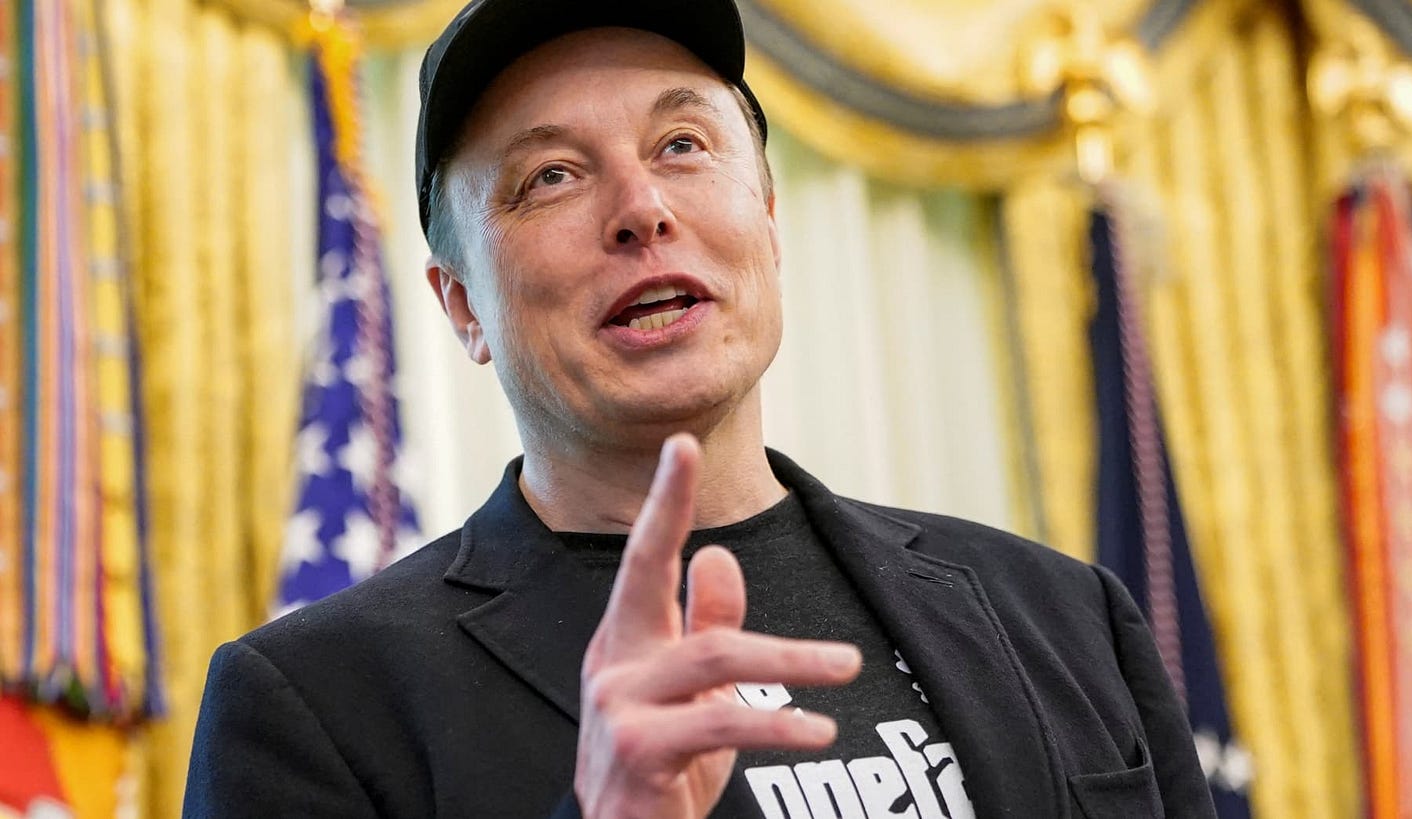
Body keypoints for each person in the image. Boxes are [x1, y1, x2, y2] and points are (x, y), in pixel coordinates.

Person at [183, 0, 1216, 816]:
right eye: (550, 176)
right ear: (463, 308)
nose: (641, 209)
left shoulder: (1068, 616)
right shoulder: (314, 705)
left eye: (682, 145)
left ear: (766, 217)